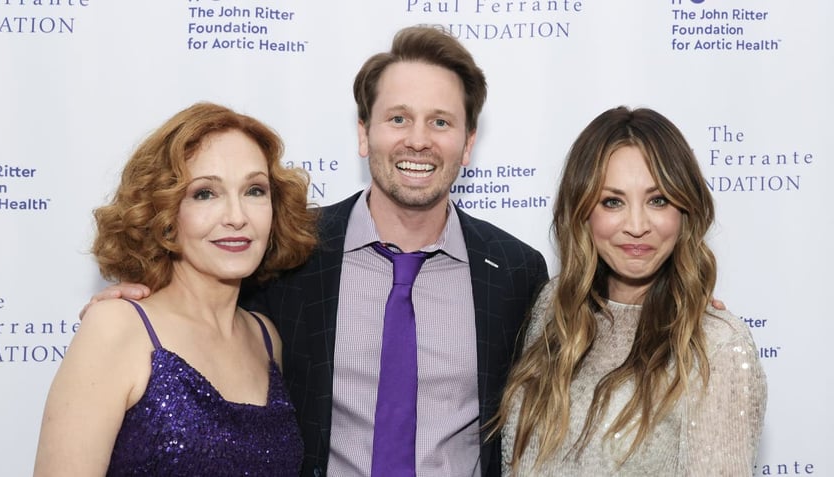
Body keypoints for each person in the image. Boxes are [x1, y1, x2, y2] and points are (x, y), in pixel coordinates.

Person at [88, 26, 549, 476]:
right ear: (364, 134)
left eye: (441, 122)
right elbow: (203, 308)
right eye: (398, 118)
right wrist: (144, 297)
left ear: (467, 143)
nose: (418, 139)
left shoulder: (514, 272)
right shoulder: (290, 251)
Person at [34, 102, 317, 476]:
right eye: (205, 194)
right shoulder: (118, 327)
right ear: (164, 213)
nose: (236, 216)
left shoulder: (266, 337)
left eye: (254, 190)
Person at [495, 106, 767, 476]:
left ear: (685, 211)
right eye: (612, 202)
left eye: (658, 200)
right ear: (582, 212)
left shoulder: (717, 346)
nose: (637, 226)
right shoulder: (552, 309)